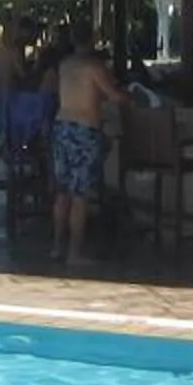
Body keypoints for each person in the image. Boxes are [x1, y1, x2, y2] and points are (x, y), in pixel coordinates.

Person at [44, 30, 127, 262]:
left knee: (62, 193)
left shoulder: (65, 65)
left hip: (61, 127)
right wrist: (130, 97)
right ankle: (75, 252)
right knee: (80, 195)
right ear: (91, 41)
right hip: (84, 130)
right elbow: (114, 96)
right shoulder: (94, 67)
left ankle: (56, 247)